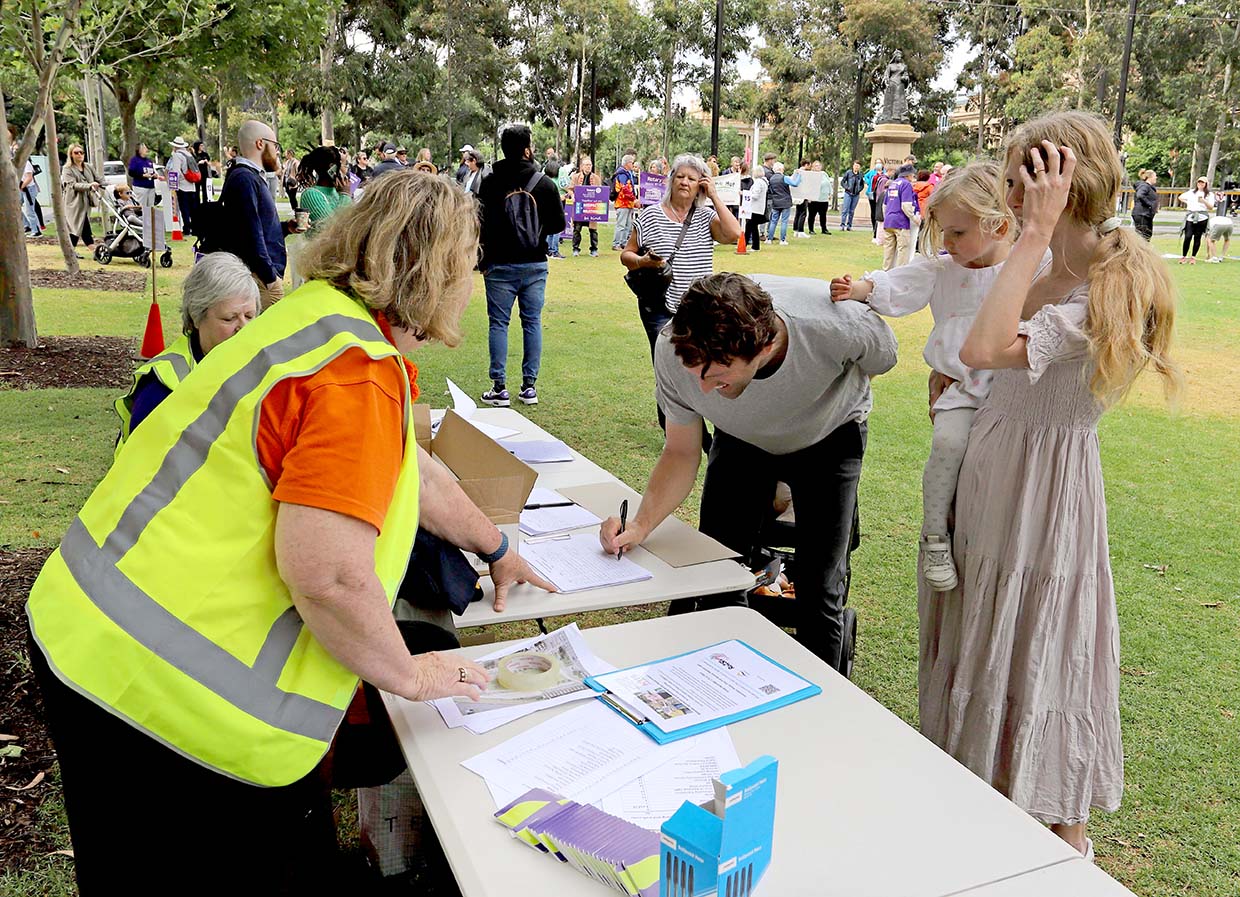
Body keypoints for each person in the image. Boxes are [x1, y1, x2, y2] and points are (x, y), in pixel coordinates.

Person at [26, 171, 563, 892]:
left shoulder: (315, 318)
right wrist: (410, 673)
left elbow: (417, 474)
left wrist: (496, 547)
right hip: (163, 694)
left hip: (84, 627)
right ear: (435, 274)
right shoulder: (354, 372)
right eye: (468, 265)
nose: (471, 281)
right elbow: (330, 574)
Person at [922, 109, 1181, 861]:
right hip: (995, 472)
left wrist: (1034, 233)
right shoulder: (1047, 267)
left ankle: (1063, 852)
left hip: (1045, 492)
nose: (1007, 199)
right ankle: (980, 826)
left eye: (1016, 183)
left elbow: (986, 342)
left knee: (1038, 649)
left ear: (1059, 187)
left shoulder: (1111, 283)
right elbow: (975, 349)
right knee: (984, 633)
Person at [599, 272, 897, 672]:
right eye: (697, 374)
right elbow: (680, 451)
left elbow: (884, 360)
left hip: (829, 436)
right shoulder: (673, 350)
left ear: (765, 346)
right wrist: (640, 525)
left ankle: (820, 709)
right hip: (740, 438)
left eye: (718, 376)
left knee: (818, 588)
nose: (703, 391)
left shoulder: (835, 324)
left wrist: (813, 393)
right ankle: (721, 682)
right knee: (718, 570)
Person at [829, 161, 1023, 591]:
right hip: (962, 386)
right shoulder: (941, 269)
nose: (948, 243)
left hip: (1016, 390)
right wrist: (857, 289)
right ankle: (935, 534)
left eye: (958, 232)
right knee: (948, 444)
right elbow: (897, 284)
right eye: (944, 232)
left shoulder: (1027, 266)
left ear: (997, 225)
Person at [621, 154, 743, 428]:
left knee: (697, 367)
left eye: (692, 178)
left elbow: (734, 233)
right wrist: (643, 261)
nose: (685, 183)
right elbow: (627, 254)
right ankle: (675, 428)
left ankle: (690, 424)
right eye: (680, 177)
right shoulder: (651, 215)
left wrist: (713, 195)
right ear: (671, 180)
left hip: (697, 307)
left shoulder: (706, 217)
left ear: (700, 184)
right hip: (658, 306)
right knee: (667, 369)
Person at [114, 253, 261, 452]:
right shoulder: (163, 385)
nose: (243, 327)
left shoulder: (259, 364)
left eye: (250, 316)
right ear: (196, 317)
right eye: (229, 318)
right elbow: (143, 462)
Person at [477, 122, 566, 407]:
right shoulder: (544, 183)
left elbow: (480, 222)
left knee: (498, 324)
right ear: (527, 150)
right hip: (534, 263)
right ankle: (529, 387)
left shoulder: (490, 181)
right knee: (532, 323)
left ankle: (499, 387)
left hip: (499, 265)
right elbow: (557, 225)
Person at [215, 119, 304, 308]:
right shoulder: (245, 178)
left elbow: (257, 225)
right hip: (259, 279)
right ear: (260, 144)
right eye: (275, 145)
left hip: (261, 276)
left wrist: (285, 228)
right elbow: (250, 233)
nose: (278, 151)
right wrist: (270, 278)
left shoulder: (250, 176)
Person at [296, 145, 351, 232]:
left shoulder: (338, 192)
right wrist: (345, 195)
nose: (347, 169)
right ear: (332, 167)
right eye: (344, 164)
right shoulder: (311, 194)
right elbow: (332, 230)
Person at [60, 143, 101, 254]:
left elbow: (98, 179)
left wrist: (109, 186)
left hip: (86, 201)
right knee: (77, 224)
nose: (79, 155)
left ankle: (71, 251)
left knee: (80, 224)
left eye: (81, 152)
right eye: (76, 153)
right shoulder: (67, 169)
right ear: (71, 155)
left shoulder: (88, 167)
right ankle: (93, 250)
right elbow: (72, 185)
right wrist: (89, 185)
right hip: (73, 202)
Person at [882, 163, 920, 269]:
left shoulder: (893, 184)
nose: (913, 176)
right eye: (912, 174)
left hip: (889, 221)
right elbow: (905, 205)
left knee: (888, 250)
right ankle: (899, 274)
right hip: (901, 222)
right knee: (903, 250)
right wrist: (914, 218)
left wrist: (887, 217)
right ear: (908, 175)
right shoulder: (906, 184)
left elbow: (884, 205)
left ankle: (886, 272)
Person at [166, 136, 201, 235]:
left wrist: (177, 182)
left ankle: (187, 229)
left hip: (183, 186)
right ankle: (195, 228)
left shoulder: (177, 155)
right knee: (193, 208)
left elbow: (176, 171)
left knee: (184, 208)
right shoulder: (188, 154)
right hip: (192, 185)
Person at [568, 156, 602, 257]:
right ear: (582, 166)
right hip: (579, 207)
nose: (588, 167)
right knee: (577, 229)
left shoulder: (596, 178)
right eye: (586, 165)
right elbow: (570, 189)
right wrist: (573, 195)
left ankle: (594, 249)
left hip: (591, 208)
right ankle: (575, 249)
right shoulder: (576, 177)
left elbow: (600, 192)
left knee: (593, 230)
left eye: (590, 165)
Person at [1178, 176, 1214, 264]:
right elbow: (1180, 197)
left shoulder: (1209, 195)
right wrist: (1188, 202)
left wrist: (1203, 201)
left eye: (1202, 183)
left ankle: (1193, 257)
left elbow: (1211, 207)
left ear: (1206, 184)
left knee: (1197, 237)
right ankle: (1184, 256)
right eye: (1199, 182)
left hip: (1202, 217)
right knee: (1188, 236)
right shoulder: (1191, 192)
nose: (1200, 184)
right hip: (1191, 216)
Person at [610, 153, 639, 250]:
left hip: (628, 203)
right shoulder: (622, 174)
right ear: (627, 163)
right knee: (621, 224)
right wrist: (633, 199)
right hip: (622, 203)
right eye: (632, 162)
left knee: (628, 225)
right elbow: (624, 189)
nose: (633, 165)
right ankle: (616, 243)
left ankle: (623, 242)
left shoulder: (628, 173)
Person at [765, 161, 793, 245]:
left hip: (776, 202)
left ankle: (769, 239)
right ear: (781, 169)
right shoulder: (784, 178)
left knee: (773, 221)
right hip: (786, 202)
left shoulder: (771, 179)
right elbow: (795, 183)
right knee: (784, 221)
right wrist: (799, 176)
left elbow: (770, 190)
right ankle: (783, 240)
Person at [127, 142, 160, 208]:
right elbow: (131, 172)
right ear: (140, 150)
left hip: (151, 187)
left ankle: (150, 218)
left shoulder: (149, 161)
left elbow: (151, 172)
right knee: (142, 207)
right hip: (140, 187)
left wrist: (154, 175)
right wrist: (142, 175)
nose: (147, 149)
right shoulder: (135, 160)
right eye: (145, 148)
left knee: (151, 207)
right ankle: (142, 218)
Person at [743, 163, 767, 253]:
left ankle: (755, 246)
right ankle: (744, 244)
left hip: (755, 208)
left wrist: (745, 194)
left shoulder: (758, 183)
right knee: (750, 226)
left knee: (752, 227)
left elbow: (756, 195)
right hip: (758, 208)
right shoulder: (763, 182)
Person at [787, 160, 813, 239]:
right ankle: (800, 231)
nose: (810, 167)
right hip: (802, 195)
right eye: (809, 165)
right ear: (806, 165)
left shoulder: (796, 172)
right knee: (803, 213)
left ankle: (796, 230)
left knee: (798, 213)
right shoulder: (803, 173)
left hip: (797, 195)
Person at [1132, 169, 1158, 241]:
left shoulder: (1149, 187)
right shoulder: (1144, 186)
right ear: (1150, 177)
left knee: (1147, 235)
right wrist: (1150, 204)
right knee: (1142, 237)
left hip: (1146, 214)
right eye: (1155, 176)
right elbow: (1140, 195)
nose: (1156, 178)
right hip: (1142, 214)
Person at [839, 160, 865, 231]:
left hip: (856, 195)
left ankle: (849, 225)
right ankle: (842, 225)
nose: (856, 167)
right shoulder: (848, 173)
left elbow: (862, 184)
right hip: (848, 193)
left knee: (852, 211)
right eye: (855, 165)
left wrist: (859, 190)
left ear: (860, 167)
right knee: (845, 210)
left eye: (858, 166)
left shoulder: (860, 174)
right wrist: (847, 187)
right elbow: (842, 182)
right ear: (853, 166)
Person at [194, 140, 212, 206]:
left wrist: (206, 162)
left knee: (204, 189)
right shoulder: (194, 154)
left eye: (202, 145)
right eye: (201, 145)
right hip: (196, 174)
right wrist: (199, 163)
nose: (202, 147)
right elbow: (192, 164)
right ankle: (197, 203)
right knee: (197, 190)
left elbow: (209, 164)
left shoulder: (205, 154)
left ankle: (205, 203)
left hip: (204, 174)